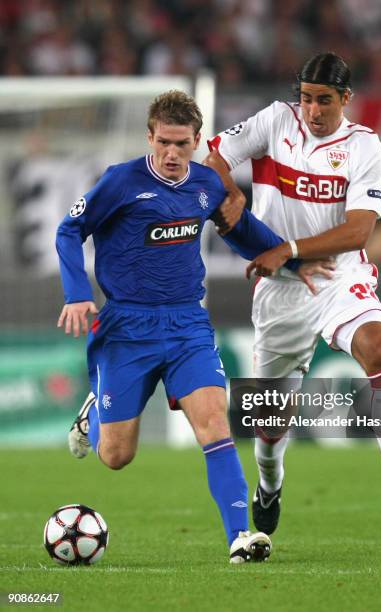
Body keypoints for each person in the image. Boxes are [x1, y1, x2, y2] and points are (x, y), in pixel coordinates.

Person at [55, 90, 332, 564]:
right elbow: (68, 230)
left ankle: (240, 537)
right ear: (149, 137)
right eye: (163, 142)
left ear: (196, 141)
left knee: (214, 424)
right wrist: (78, 293)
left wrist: (290, 260)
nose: (171, 154)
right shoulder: (121, 182)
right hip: (126, 327)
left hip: (187, 325)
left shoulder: (206, 185)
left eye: (182, 144)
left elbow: (240, 230)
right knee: (115, 455)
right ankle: (93, 410)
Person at [204, 52, 381, 535]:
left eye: (323, 100)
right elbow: (215, 157)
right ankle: (269, 486)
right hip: (280, 291)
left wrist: (286, 247)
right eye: (305, 98)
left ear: (346, 98)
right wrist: (231, 191)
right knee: (271, 424)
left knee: (378, 346)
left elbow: (358, 232)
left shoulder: (364, 148)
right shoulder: (274, 121)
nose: (312, 110)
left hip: (337, 278)